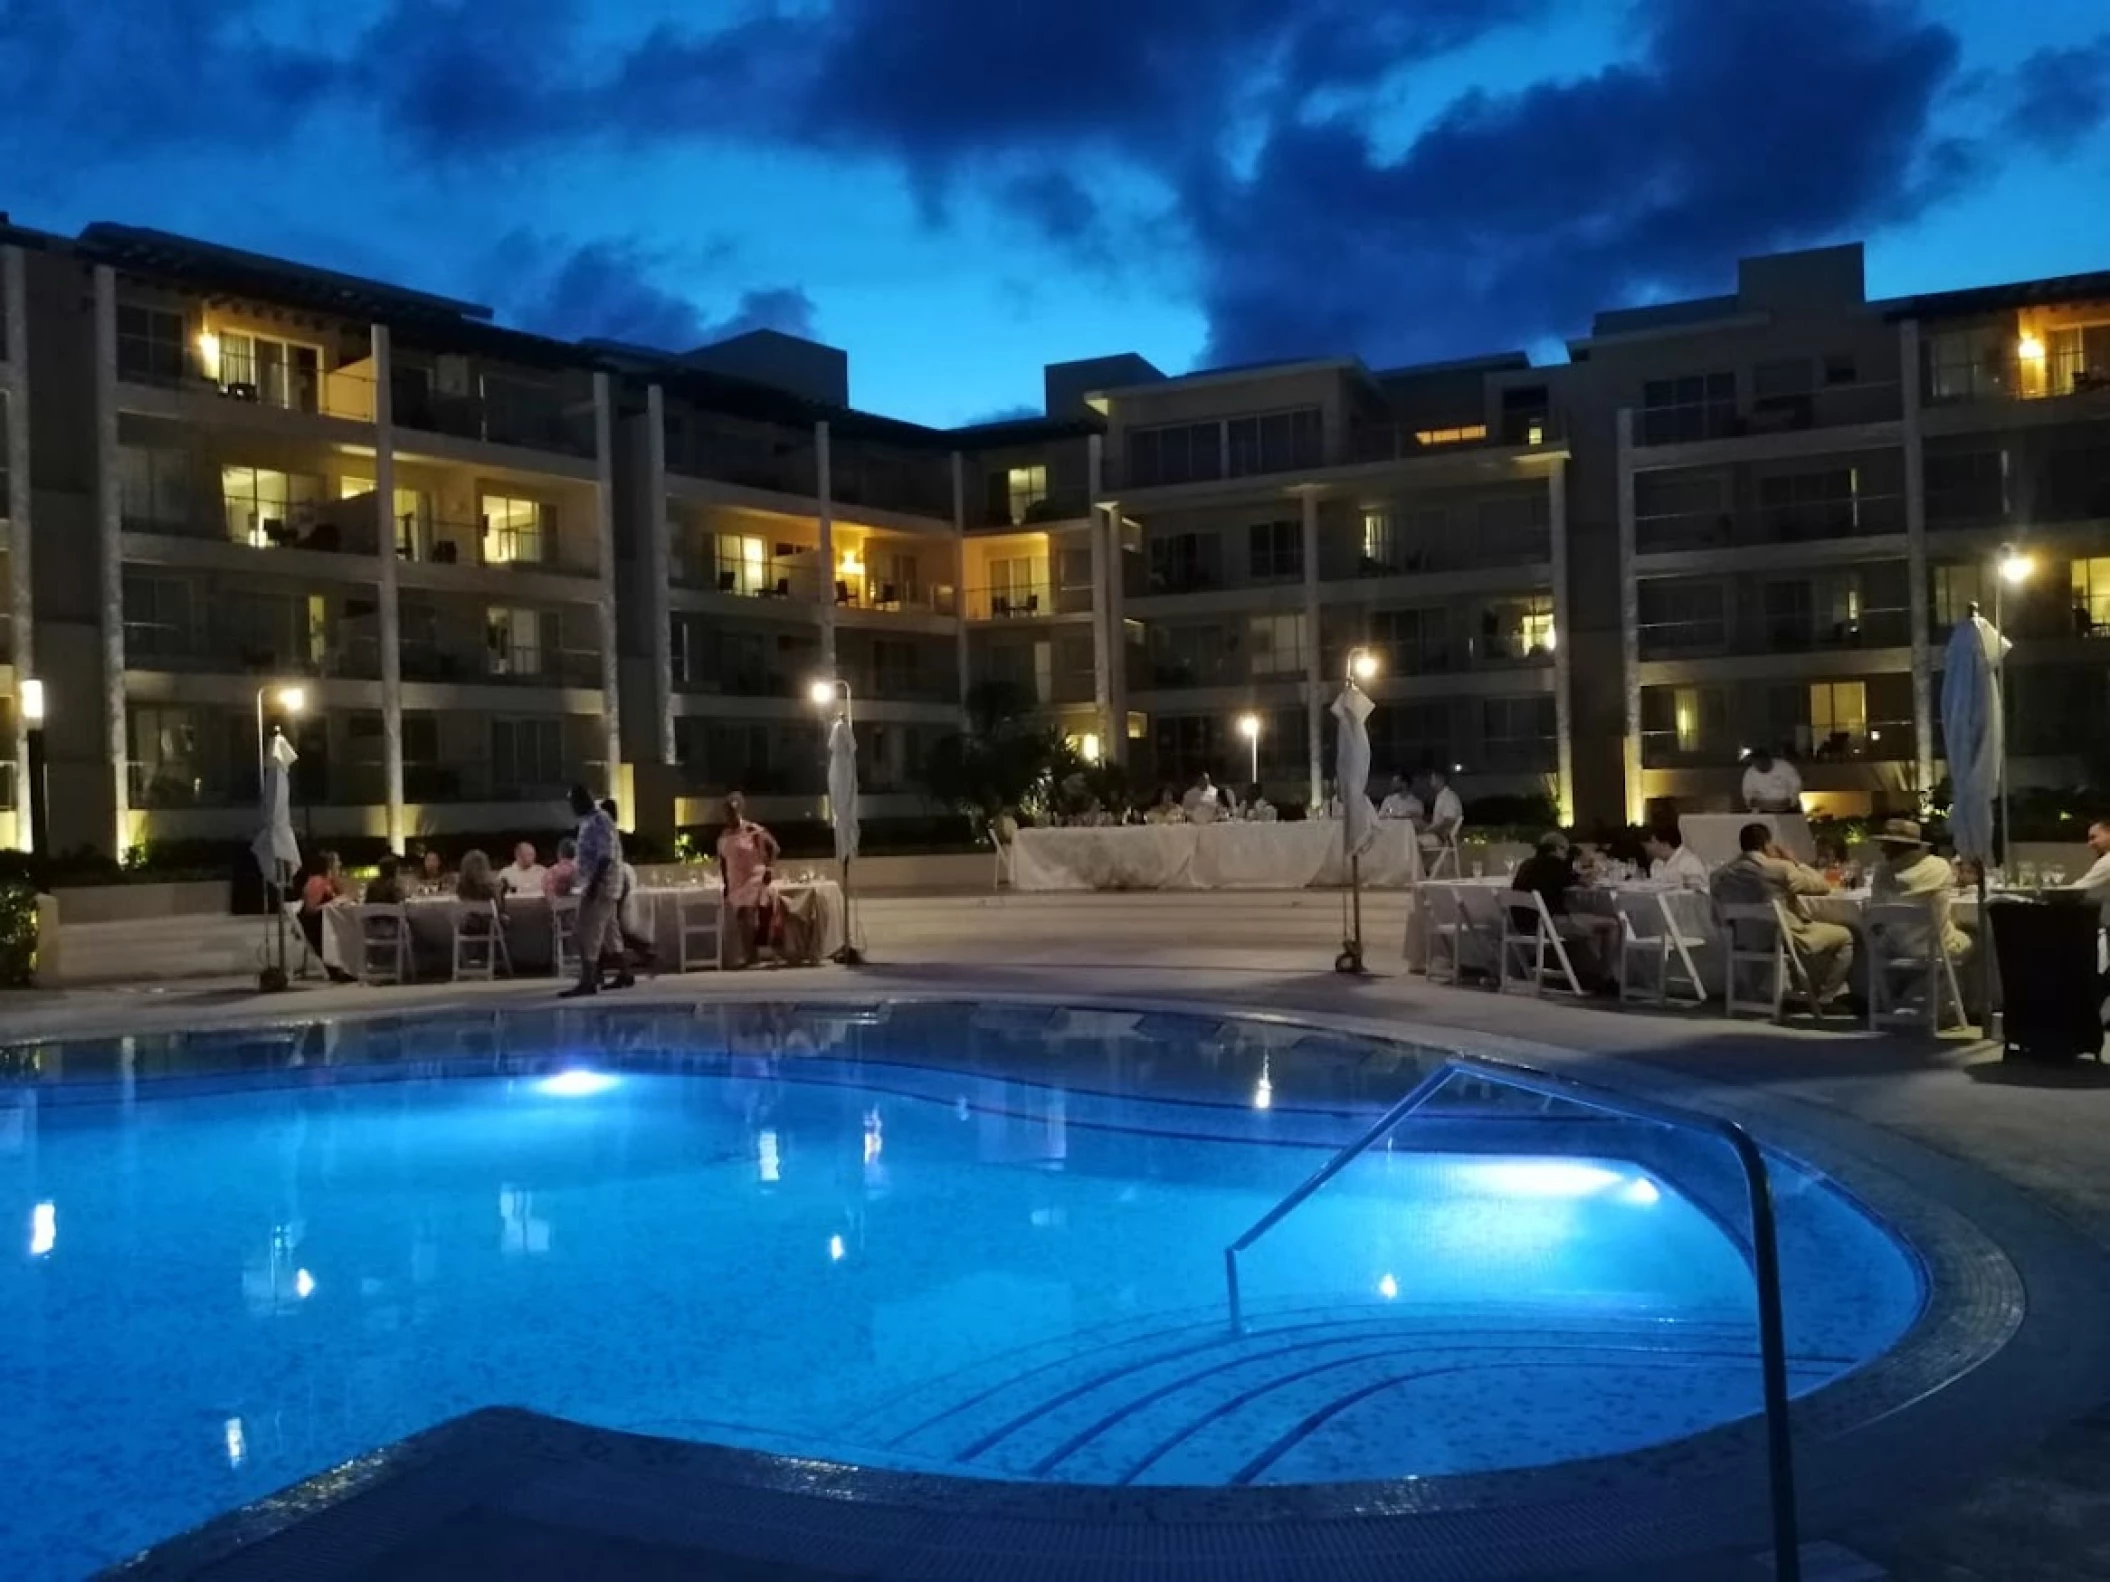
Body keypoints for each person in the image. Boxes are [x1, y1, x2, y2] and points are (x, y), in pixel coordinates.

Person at [1710, 822, 1854, 1005]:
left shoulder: (1722, 874)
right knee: (1846, 936)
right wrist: (1794, 862)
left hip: (1743, 936)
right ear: (1765, 845)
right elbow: (1822, 885)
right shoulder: (1779, 869)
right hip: (1782, 934)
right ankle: (1827, 997)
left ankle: (1792, 990)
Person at [1509, 831, 1621, 987]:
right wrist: (1596, 869)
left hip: (1522, 925)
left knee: (1585, 922)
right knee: (1612, 924)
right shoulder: (1554, 864)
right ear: (1557, 849)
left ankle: (1584, 971)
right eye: (1565, 851)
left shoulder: (1526, 865)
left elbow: (1566, 878)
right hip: (1549, 923)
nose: (1565, 855)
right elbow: (1585, 882)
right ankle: (1605, 978)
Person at [1868, 819, 1969, 964]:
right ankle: (1952, 986)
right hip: (1936, 949)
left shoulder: (1881, 873)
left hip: (1893, 950)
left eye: (1885, 845)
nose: (1881, 849)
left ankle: (1916, 984)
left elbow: (1875, 918)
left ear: (1899, 847)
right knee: (1977, 936)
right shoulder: (1939, 867)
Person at [559, 784, 622, 997]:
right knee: (609, 933)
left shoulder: (600, 820)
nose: (572, 807)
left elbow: (605, 855)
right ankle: (623, 973)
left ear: (584, 799)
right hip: (596, 883)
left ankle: (589, 979)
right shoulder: (588, 821)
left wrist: (594, 885)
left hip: (600, 885)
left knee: (586, 931)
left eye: (573, 802)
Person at [718, 789, 783, 967]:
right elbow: (723, 861)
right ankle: (750, 954)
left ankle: (752, 956)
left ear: (739, 810)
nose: (729, 815)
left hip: (754, 878)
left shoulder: (753, 830)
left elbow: (774, 847)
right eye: (726, 812)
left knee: (746, 913)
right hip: (735, 882)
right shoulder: (724, 836)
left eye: (732, 811)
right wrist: (725, 884)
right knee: (741, 918)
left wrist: (769, 868)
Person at [600, 797, 655, 979]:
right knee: (610, 924)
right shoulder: (616, 833)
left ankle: (643, 953)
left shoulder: (607, 833)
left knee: (607, 924)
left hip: (614, 879)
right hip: (620, 878)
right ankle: (643, 953)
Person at [1642, 823, 1710, 891]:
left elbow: (1700, 894)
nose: (1647, 850)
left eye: (1647, 845)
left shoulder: (1689, 862)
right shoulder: (1656, 863)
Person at [1741, 746, 1804, 814]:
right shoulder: (1750, 773)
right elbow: (1748, 796)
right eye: (1757, 764)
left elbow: (1797, 785)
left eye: (1763, 763)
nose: (1761, 766)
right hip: (1762, 810)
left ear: (1769, 759)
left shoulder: (1785, 766)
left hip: (1788, 809)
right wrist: (1760, 803)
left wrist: (1790, 800)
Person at [1425, 769, 1463, 840]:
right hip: (1437, 834)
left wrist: (1431, 829)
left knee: (1412, 841)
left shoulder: (1448, 797)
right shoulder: (1441, 796)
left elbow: (1449, 820)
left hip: (1442, 837)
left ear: (1440, 780)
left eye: (1432, 779)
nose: (1430, 782)